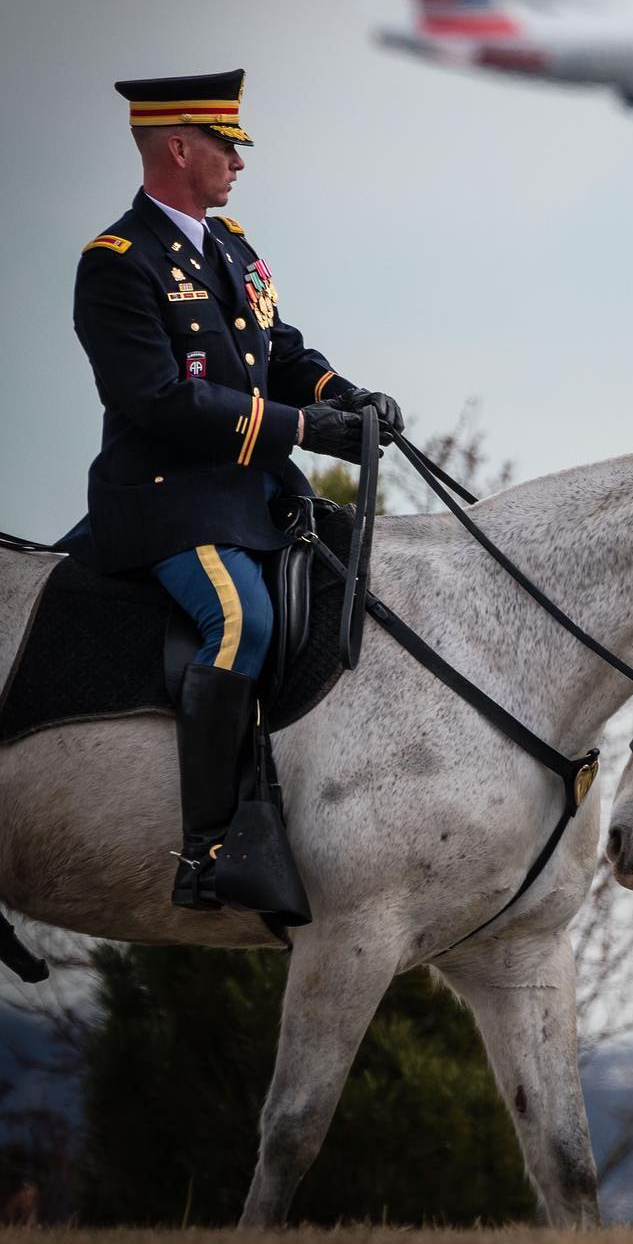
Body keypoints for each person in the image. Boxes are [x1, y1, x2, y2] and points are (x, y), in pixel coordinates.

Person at [67, 69, 404, 911]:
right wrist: (296, 428)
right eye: (226, 146)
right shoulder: (118, 263)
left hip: (252, 490)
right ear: (179, 147)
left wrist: (343, 398)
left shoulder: (232, 247)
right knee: (240, 618)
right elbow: (156, 400)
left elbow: (278, 350)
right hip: (165, 498)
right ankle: (209, 850)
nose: (238, 163)